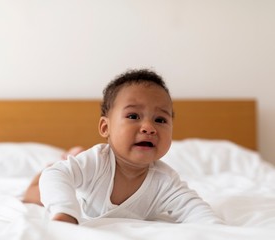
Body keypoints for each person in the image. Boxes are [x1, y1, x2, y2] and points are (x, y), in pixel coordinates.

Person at [25, 68, 224, 225]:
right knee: (37, 191)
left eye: (160, 119)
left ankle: (72, 157)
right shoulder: (98, 161)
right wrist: (65, 210)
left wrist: (217, 230)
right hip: (77, 191)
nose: (148, 127)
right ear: (105, 127)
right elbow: (56, 175)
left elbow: (193, 208)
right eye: (133, 116)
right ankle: (66, 158)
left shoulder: (166, 181)